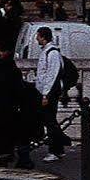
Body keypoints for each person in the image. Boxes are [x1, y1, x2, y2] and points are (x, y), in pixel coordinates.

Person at [32, 26, 67, 162]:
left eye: (38, 36)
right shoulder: (48, 52)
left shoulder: (52, 53)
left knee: (50, 121)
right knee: (50, 121)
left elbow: (52, 75)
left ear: (43, 37)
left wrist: (46, 94)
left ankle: (55, 149)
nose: (36, 39)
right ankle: (59, 147)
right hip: (47, 91)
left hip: (50, 93)